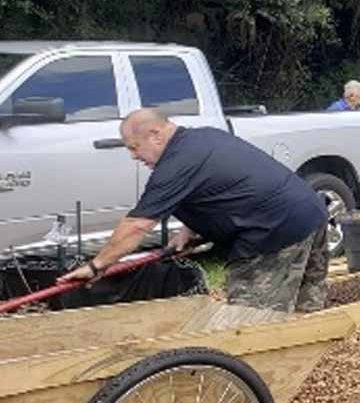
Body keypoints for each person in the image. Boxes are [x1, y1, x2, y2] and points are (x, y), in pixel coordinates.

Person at [59, 109, 330, 312]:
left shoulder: (175, 164)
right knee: (307, 306)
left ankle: (255, 381)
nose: (134, 156)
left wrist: (97, 266)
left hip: (274, 231)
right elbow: (224, 186)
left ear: (155, 135)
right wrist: (189, 230)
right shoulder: (203, 138)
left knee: (249, 322)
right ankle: (308, 368)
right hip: (311, 211)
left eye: (134, 148)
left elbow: (137, 226)